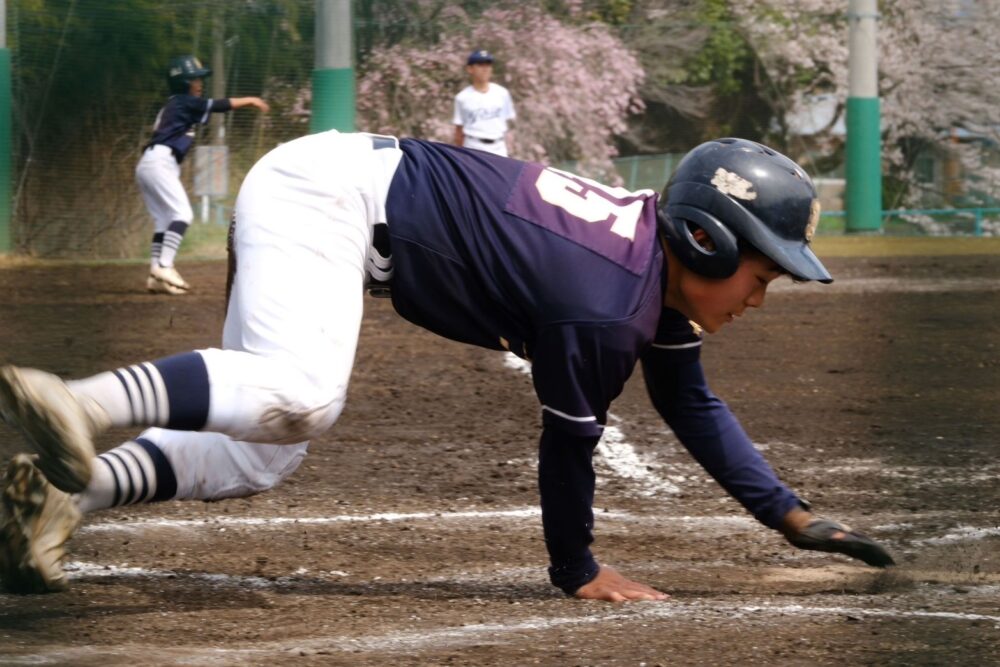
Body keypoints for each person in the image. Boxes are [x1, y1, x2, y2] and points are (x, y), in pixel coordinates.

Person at [0, 133, 895, 599]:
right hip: (330, 198)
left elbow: (691, 403)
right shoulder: (606, 302)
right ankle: (76, 401)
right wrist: (578, 569)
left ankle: (66, 493)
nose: (759, 296)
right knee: (306, 393)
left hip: (333, 190)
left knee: (263, 448)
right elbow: (568, 446)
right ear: (704, 238)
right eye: (760, 271)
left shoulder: (644, 272)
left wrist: (789, 515)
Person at [137, 54, 269, 295]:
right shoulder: (183, 102)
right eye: (194, 79)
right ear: (183, 83)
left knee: (163, 220)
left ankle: (156, 272)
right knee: (182, 214)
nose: (199, 84)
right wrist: (250, 100)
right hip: (159, 162)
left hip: (149, 162)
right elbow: (219, 105)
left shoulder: (174, 104)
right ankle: (165, 266)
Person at [452, 50, 516, 157]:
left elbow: (507, 122)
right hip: (473, 146)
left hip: (498, 146)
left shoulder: (502, 93)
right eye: (480, 65)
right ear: (470, 69)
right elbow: (459, 131)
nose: (485, 69)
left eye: (488, 65)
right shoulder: (462, 97)